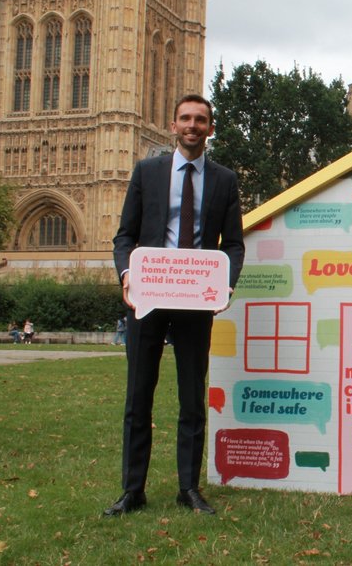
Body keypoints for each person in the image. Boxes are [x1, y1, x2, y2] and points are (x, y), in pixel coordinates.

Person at [105, 94, 245, 517]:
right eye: (185, 118)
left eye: (200, 119)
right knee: (138, 398)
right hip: (147, 298)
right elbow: (124, 237)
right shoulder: (147, 172)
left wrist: (225, 285)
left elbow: (234, 245)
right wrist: (127, 276)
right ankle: (133, 491)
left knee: (190, 399)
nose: (192, 125)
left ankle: (188, 489)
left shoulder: (224, 180)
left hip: (194, 300)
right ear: (173, 125)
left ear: (210, 128)